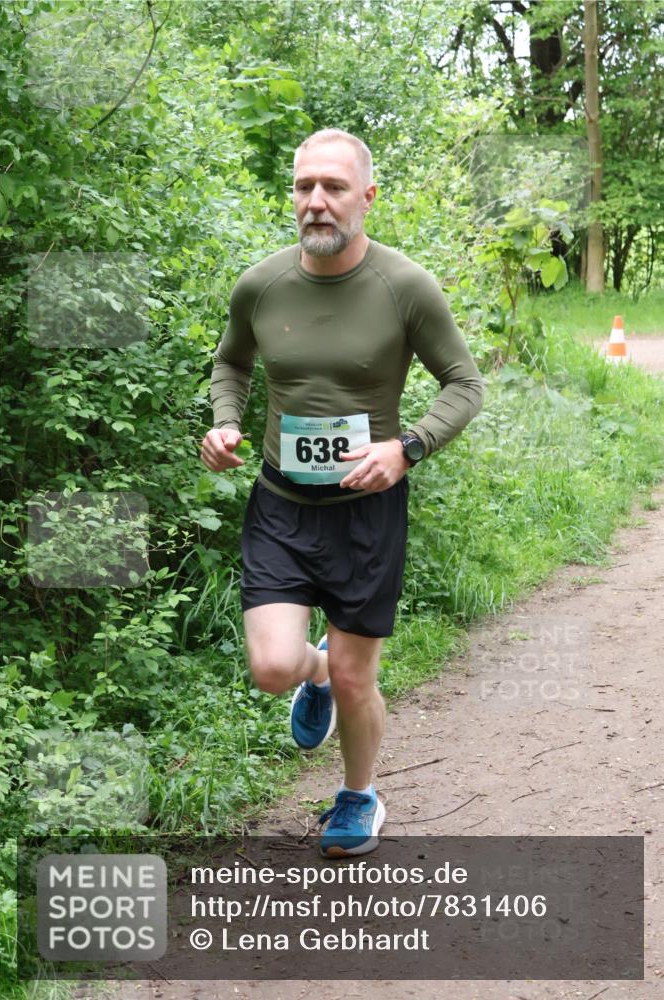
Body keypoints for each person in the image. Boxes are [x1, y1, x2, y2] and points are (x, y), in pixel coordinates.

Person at [200, 128, 484, 858]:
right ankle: (317, 670)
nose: (316, 202)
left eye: (333, 187)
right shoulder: (261, 285)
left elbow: (464, 384)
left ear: (367, 196)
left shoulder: (405, 286)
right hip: (281, 505)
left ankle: (358, 795)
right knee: (271, 668)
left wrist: (407, 448)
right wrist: (225, 424)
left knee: (361, 680)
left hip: (366, 512)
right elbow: (231, 364)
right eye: (304, 187)